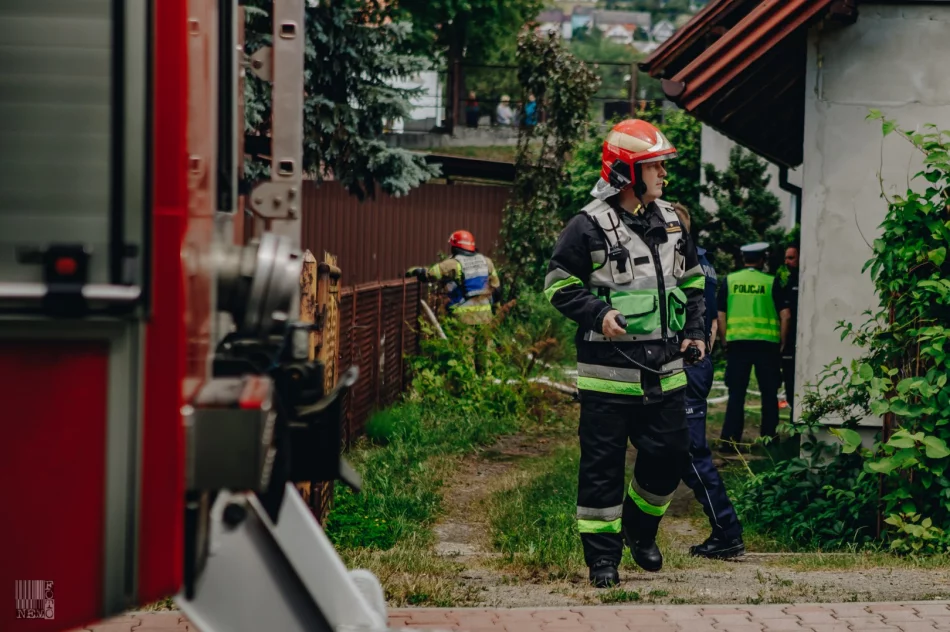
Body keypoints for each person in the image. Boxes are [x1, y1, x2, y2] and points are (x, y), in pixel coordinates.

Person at [544, 119, 707, 587]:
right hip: (607, 376)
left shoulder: (674, 222)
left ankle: (640, 527)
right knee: (602, 470)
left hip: (667, 370)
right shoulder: (587, 224)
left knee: (670, 455)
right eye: (654, 166)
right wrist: (598, 314)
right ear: (626, 173)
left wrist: (695, 333)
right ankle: (602, 559)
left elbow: (693, 284)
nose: (662, 175)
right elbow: (558, 286)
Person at [671, 204, 745, 560]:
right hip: (693, 362)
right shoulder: (704, 261)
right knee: (666, 449)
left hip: (687, 363)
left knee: (690, 453)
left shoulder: (687, 263)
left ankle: (727, 531)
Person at [717, 242, 782, 447]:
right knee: (769, 394)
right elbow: (786, 315)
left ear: (744, 259)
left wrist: (725, 340)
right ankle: (769, 438)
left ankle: (729, 439)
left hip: (738, 344)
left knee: (736, 393)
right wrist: (783, 341)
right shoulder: (772, 282)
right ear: (762, 260)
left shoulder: (730, 281)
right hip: (767, 345)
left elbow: (721, 315)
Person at [407, 231, 500, 371]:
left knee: (465, 357)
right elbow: (497, 289)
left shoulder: (452, 264)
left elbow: (429, 274)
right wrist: (494, 308)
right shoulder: (487, 262)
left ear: (454, 247)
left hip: (464, 319)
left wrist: (415, 271)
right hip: (486, 317)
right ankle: (486, 386)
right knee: (484, 356)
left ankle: (466, 389)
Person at [776, 246, 799, 420]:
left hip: (792, 340)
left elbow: (786, 315)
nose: (786, 262)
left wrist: (783, 342)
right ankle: (794, 416)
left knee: (792, 381)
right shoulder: (789, 281)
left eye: (791, 258)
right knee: (790, 381)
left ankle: (796, 417)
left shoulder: (800, 280)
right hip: (792, 341)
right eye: (786, 258)